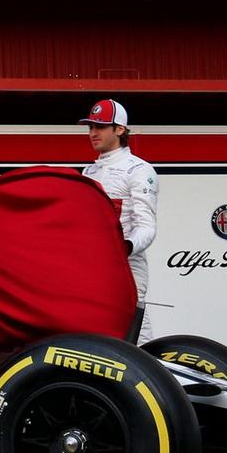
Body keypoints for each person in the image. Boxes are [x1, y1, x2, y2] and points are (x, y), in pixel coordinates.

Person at [79, 99, 159, 343]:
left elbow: (147, 227)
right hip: (96, 265)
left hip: (128, 266)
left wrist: (123, 247)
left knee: (136, 337)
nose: (93, 133)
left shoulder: (139, 170)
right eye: (91, 127)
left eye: (100, 127)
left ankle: (153, 379)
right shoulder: (88, 172)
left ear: (120, 129)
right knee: (97, 335)